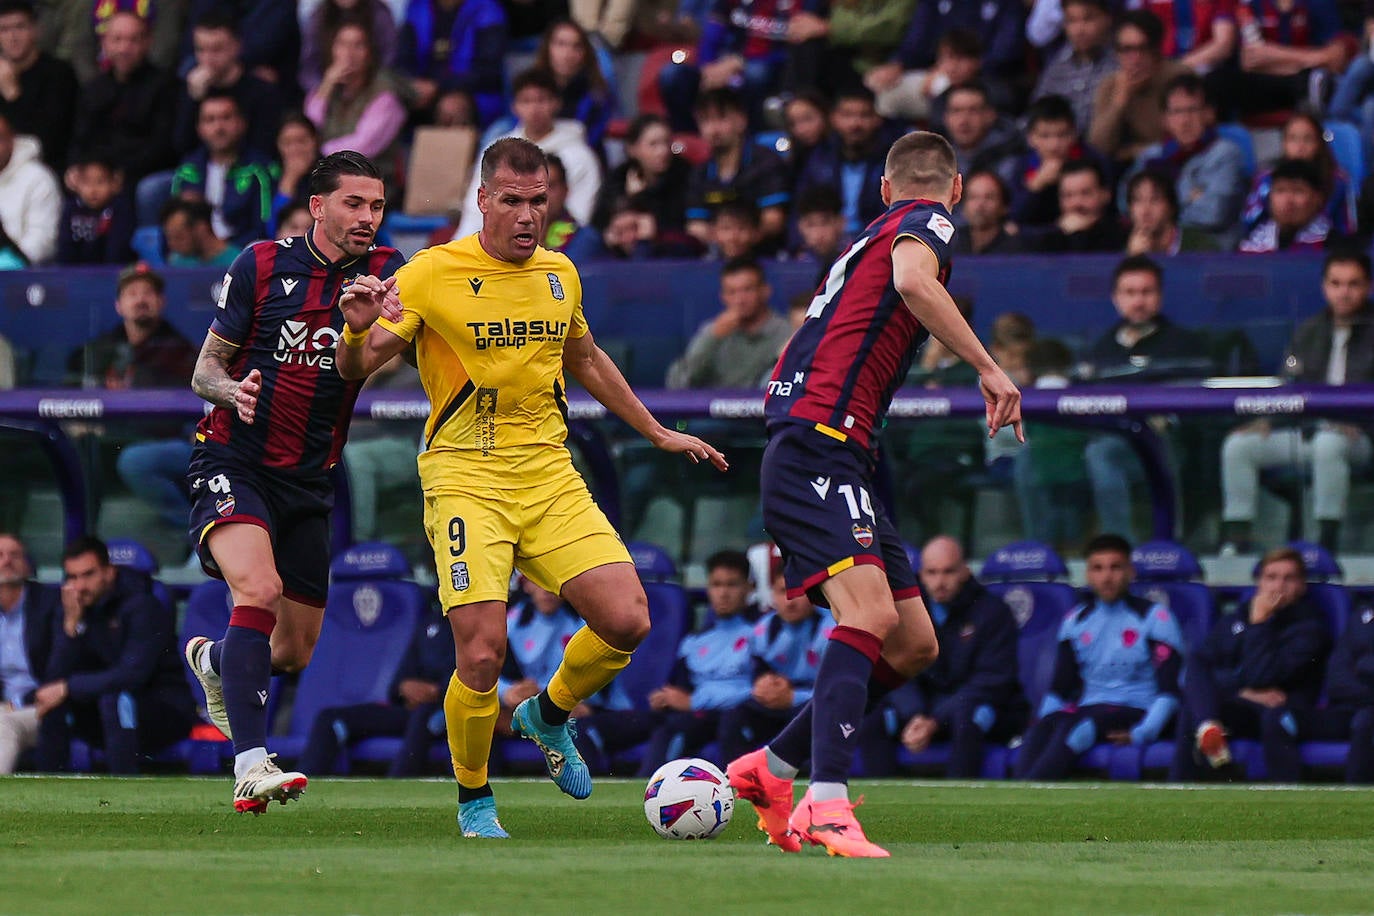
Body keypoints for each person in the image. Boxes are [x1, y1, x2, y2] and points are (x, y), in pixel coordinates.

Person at [335, 137, 726, 839]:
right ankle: (475, 798)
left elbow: (585, 356)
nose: (526, 215)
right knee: (481, 652)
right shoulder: (431, 274)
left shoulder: (560, 274)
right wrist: (353, 332)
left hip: (548, 474)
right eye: (511, 200)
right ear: (482, 200)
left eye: (537, 200)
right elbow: (355, 367)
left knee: (628, 618)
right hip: (464, 478)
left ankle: (546, 714)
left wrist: (657, 431)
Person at [726, 131, 1022, 857]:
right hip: (818, 446)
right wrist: (989, 368)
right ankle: (826, 803)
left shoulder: (872, 233)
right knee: (867, 613)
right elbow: (917, 283)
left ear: (883, 190)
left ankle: (771, 767)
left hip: (831, 451)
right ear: (953, 191)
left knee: (915, 642)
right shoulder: (928, 225)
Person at [181, 150, 406, 814]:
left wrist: (364, 334)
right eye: (355, 203)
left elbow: (375, 361)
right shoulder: (258, 263)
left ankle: (219, 662)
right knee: (259, 588)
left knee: (292, 650)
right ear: (318, 206)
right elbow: (204, 372)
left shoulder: (389, 272)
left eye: (378, 205)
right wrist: (233, 390)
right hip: (233, 457)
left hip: (310, 479)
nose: (369, 217)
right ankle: (250, 764)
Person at [1220, 251, 1374, 555]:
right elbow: (1288, 385)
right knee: (1238, 446)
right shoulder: (1309, 330)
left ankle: (1326, 541)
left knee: (1329, 444)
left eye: (1353, 284)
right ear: (1324, 287)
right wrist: (1269, 421)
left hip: (1360, 438)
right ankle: (1236, 538)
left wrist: (1357, 423)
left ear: (1368, 286)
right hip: (1305, 431)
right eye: (1336, 283)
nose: (1344, 292)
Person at [1014, 534, 1183, 780]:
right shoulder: (1075, 621)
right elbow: (1060, 689)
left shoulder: (1156, 618)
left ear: (1130, 572)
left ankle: (1029, 796)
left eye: (1115, 567)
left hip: (1135, 709)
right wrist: (1041, 721)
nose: (1106, 577)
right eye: (1098, 568)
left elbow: (1169, 693)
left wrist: (1143, 732)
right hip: (1089, 709)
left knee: (1077, 727)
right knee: (1044, 729)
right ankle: (1018, 794)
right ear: (1088, 575)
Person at [859, 536, 1027, 779]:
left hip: (975, 709)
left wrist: (936, 719)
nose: (940, 582)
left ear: (965, 571)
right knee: (872, 716)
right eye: (932, 573)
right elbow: (893, 666)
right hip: (921, 710)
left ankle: (960, 805)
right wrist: (916, 714)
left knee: (967, 718)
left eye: (948, 572)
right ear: (921, 574)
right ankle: (884, 803)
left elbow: (992, 681)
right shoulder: (904, 611)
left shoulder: (993, 612)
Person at [1078, 255, 1214, 538]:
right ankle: (1118, 547)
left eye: (1146, 292)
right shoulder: (1100, 348)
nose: (1138, 301)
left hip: (1171, 443)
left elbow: (1198, 398)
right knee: (1097, 452)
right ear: (1116, 298)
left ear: (1160, 296)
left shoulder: (1184, 344)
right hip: (1116, 439)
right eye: (1130, 293)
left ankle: (1171, 544)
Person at [34, 536, 195, 773]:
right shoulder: (72, 610)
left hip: (162, 710)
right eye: (72, 577)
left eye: (88, 574)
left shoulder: (143, 606)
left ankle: (124, 788)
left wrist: (69, 687)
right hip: (103, 713)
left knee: (116, 699)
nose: (79, 586)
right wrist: (71, 628)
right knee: (53, 704)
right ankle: (47, 791)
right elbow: (53, 681)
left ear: (109, 572)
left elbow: (132, 675)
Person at [1171, 547, 1333, 781]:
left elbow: (1264, 676)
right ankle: (1202, 744)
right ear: (1259, 583)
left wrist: (1259, 623)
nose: (1279, 585)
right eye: (1271, 577)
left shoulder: (1310, 628)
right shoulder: (1235, 619)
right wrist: (1241, 691)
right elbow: (1198, 665)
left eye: (1289, 578)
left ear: (1302, 586)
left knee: (1268, 717)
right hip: (1243, 705)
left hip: (1284, 711)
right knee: (1194, 706)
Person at [299, 601, 453, 778]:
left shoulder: (478, 623)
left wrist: (439, 690)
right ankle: (306, 786)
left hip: (448, 710)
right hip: (411, 709)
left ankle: (395, 788)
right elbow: (398, 683)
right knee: (330, 718)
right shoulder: (430, 623)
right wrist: (404, 687)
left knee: (425, 716)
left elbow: (479, 676)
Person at [454, 69, 601, 239]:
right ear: (514, 107)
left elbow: (578, 217)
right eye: (526, 101)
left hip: (556, 249)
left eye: (542, 100)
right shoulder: (496, 152)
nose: (535, 108)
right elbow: (475, 211)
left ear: (557, 103)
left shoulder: (581, 157)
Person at [719, 563, 833, 764]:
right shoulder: (763, 629)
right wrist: (763, 685)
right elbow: (756, 672)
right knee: (734, 716)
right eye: (783, 591)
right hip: (775, 702)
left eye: (799, 592)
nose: (790, 601)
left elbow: (837, 686)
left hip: (814, 700)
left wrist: (793, 696)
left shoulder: (831, 630)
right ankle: (736, 778)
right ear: (772, 594)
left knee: (816, 715)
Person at [1130, 73, 1247, 243]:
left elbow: (1213, 214)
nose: (1185, 120)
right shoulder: (1150, 157)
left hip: (1211, 251)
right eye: (1176, 112)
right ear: (1165, 119)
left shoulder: (1225, 154)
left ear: (1209, 113)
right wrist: (1190, 197)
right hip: (1155, 245)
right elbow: (1125, 206)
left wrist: (1161, 207)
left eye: (1192, 110)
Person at [1267, 598, 1374, 783]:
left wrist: (1363, 667)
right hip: (1344, 712)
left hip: (1367, 717)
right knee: (1279, 718)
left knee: (1366, 721)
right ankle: (1286, 800)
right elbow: (1336, 681)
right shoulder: (1362, 619)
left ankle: (1357, 805)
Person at [684, 88, 790, 254]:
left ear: (741, 120)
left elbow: (773, 220)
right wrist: (725, 238)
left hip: (766, 255)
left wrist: (738, 238)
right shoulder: (700, 173)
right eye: (705, 121)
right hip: (717, 257)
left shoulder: (766, 163)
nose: (713, 129)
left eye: (721, 118)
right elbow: (696, 226)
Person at [172, 11, 285, 162]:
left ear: (237, 46)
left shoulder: (261, 91)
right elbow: (181, 147)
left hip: (248, 172)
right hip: (201, 171)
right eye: (201, 49)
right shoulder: (191, 87)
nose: (208, 58)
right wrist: (193, 100)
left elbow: (264, 147)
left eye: (217, 49)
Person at [66, 261, 197, 390]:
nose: (140, 300)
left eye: (148, 292)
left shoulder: (181, 354)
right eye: (132, 293)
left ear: (161, 301)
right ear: (118, 305)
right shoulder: (99, 350)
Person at [666, 257, 793, 390]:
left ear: (765, 291)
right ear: (723, 297)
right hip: (710, 408)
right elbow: (677, 383)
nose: (740, 299)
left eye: (747, 290)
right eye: (732, 292)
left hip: (761, 408)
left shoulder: (785, 332)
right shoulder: (713, 331)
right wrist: (711, 338)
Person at [170, 91, 277, 247]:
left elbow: (263, 227)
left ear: (242, 123)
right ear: (199, 128)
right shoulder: (187, 170)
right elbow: (174, 224)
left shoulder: (260, 169)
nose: (218, 127)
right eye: (210, 120)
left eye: (226, 118)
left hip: (240, 253)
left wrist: (223, 250)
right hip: (193, 254)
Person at [1088, 11, 1189, 171]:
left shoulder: (1179, 78)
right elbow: (1098, 146)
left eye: (1143, 48)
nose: (1135, 58)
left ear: (1156, 50)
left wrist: (1134, 151)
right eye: (1127, 49)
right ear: (1116, 53)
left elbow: (1187, 137)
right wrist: (1119, 102)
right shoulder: (1110, 85)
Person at [305, 20, 407, 169]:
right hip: (328, 177)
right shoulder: (324, 89)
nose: (349, 53)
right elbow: (308, 129)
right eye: (342, 44)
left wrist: (315, 152)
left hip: (370, 182)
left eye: (358, 45)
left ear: (370, 53)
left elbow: (362, 146)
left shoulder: (385, 96)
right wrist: (326, 86)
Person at [1242, 111, 1357, 238]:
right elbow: (1249, 224)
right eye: (1293, 139)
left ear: (1319, 143)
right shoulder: (1266, 179)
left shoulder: (1337, 181)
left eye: (1308, 139)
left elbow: (1346, 229)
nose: (1300, 146)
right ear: (1284, 144)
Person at [0, 532, 60, 774]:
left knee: (4, 725)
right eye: (0, 555)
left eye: (14, 555)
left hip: (38, 707)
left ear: (26, 564)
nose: (7, 561)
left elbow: (62, 665)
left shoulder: (50, 603)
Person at [0, 0, 78, 173]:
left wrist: (13, 95)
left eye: (20, 27)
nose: (12, 37)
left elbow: (45, 141)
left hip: (44, 170)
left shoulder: (59, 73)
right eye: (4, 29)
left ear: (35, 29)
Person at [1030, 0, 1116, 137]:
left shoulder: (1120, 63)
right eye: (1071, 21)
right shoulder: (1057, 66)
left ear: (1107, 19)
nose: (1079, 30)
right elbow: (1035, 114)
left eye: (1088, 19)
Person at [1237, 158, 1337, 254]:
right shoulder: (1253, 245)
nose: (1288, 200)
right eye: (1280, 190)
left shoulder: (1330, 244)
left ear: (1318, 198)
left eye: (1298, 191)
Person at [0, 108, 57, 265]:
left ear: (12, 139)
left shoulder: (38, 178)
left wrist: (12, 262)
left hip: (22, 277)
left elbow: (42, 240)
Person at [1033, 159, 1128, 252]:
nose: (1076, 203)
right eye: (1068, 195)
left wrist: (1077, 234)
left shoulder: (1121, 235)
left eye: (1085, 193)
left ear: (1105, 195)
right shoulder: (1049, 239)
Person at [56, 154, 133, 265]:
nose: (93, 190)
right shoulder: (71, 208)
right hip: (74, 275)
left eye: (100, 182)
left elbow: (117, 252)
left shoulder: (120, 208)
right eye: (86, 182)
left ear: (114, 183)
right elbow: (65, 248)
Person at [951, 169, 1024, 255]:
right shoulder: (950, 244)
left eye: (989, 197)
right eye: (973, 197)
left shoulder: (1016, 250)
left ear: (1004, 207)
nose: (980, 205)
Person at [158, 198, 237, 268]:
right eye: (169, 238)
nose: (172, 244)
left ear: (201, 229)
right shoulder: (177, 262)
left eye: (179, 237)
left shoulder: (236, 263)